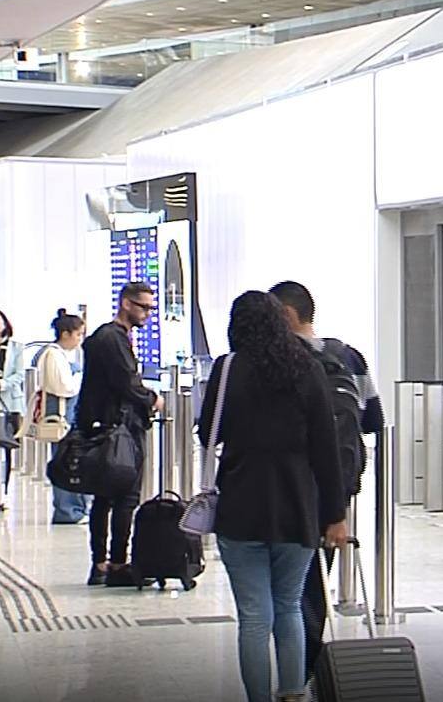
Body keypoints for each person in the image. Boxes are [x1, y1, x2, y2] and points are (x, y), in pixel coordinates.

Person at [198, 291, 347, 702]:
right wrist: (335, 513)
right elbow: (325, 447)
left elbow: (208, 429)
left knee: (253, 615)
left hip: (240, 505)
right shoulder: (306, 368)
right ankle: (294, 692)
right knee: (289, 607)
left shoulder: (228, 369)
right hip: (297, 507)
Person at [267, 280, 384, 682]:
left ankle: (293, 675)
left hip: (287, 487)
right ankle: (309, 672)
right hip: (337, 488)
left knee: (285, 588)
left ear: (285, 316)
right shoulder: (349, 356)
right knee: (315, 583)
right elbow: (374, 420)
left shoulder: (277, 360)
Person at [78, 283, 164, 585]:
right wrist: (152, 399)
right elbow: (127, 383)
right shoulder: (112, 338)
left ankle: (101, 563)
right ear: (126, 303)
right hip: (119, 430)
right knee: (125, 496)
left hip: (104, 427)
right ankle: (115, 565)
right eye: (144, 307)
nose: (148, 314)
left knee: (103, 497)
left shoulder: (105, 337)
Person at [37, 310, 90, 524]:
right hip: (62, 416)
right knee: (65, 461)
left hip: (69, 415)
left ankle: (75, 509)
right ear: (66, 334)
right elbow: (64, 387)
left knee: (71, 460)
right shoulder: (53, 354)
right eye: (78, 334)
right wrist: (80, 377)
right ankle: (68, 511)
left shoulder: (61, 355)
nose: (80, 339)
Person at [0, 308, 24, 513]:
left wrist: (1, 382)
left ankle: (3, 494)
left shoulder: (16, 347)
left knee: (5, 447)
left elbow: (20, 375)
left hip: (8, 404)